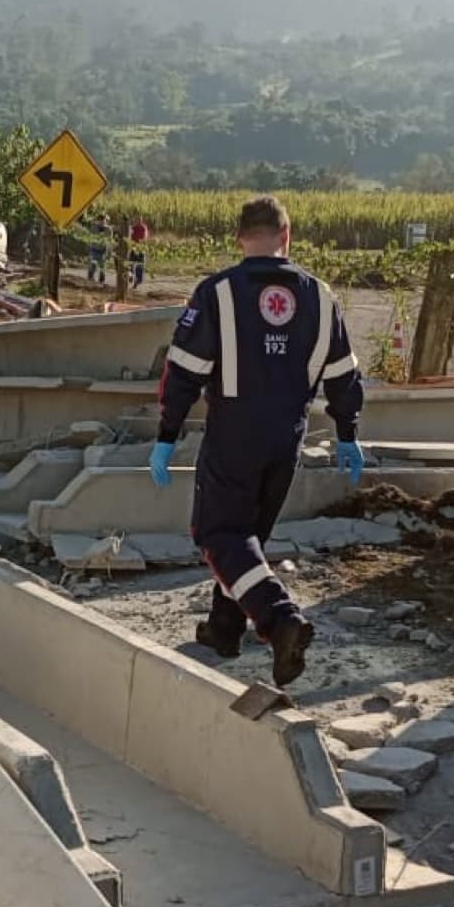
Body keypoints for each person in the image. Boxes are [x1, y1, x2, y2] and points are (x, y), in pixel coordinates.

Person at [147, 195, 361, 685]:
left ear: (240, 238)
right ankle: (225, 628)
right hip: (288, 434)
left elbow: (182, 371)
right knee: (248, 536)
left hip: (235, 432)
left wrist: (166, 433)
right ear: (288, 236)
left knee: (219, 534)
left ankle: (279, 619)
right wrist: (347, 433)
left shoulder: (217, 293)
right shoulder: (321, 297)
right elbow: (343, 375)